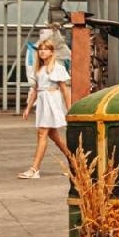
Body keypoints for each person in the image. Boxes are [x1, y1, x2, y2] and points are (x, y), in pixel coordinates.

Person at [20, 39, 73, 178]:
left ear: (51, 51)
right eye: (40, 49)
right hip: (43, 101)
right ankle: (76, 164)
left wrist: (69, 109)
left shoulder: (57, 67)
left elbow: (64, 90)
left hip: (52, 101)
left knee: (42, 134)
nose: (42, 51)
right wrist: (28, 107)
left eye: (46, 49)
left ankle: (34, 169)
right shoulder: (39, 69)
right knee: (55, 137)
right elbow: (36, 90)